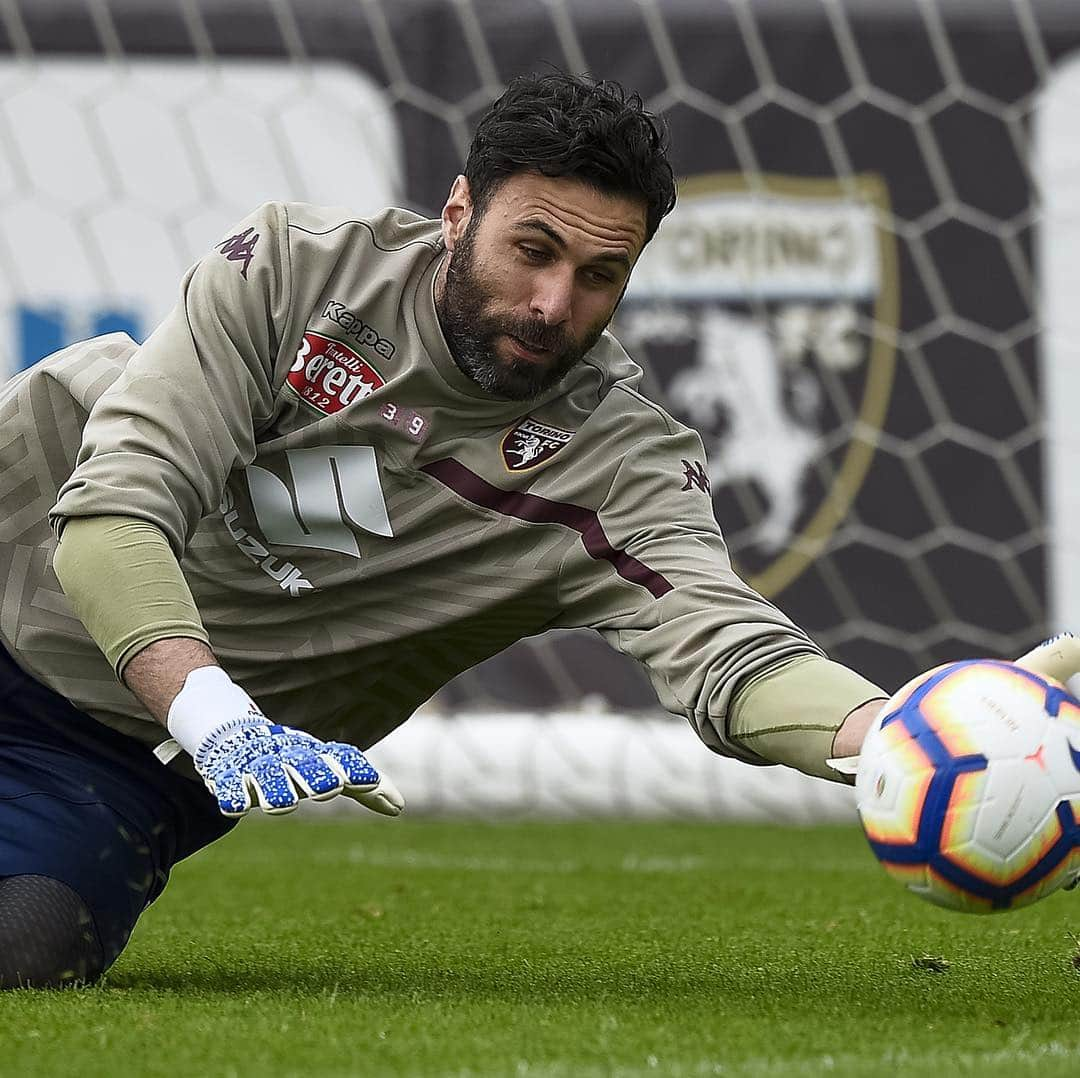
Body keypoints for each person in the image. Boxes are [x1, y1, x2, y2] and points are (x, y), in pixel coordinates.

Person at [0, 71, 890, 989]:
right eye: (532, 249)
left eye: (599, 276)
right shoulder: (293, 272)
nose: (553, 304)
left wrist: (905, 738)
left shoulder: (621, 469)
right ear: (457, 213)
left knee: (26, 947)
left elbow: (732, 654)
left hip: (109, 760)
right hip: (28, 564)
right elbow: (115, 512)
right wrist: (221, 720)